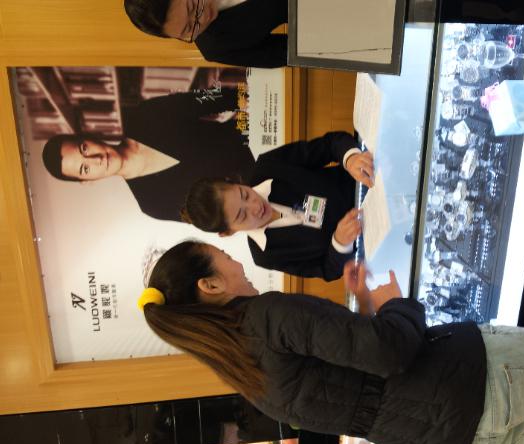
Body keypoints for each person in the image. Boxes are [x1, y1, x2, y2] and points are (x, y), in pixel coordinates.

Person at [138, 240, 524, 444]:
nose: (234, 259)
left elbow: (355, 387)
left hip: (465, 443)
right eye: (221, 256)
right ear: (210, 285)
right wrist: (392, 304)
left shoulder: (249, 376)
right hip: (478, 380)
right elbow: (389, 352)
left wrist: (361, 311)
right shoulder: (265, 317)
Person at [181, 131, 375, 280]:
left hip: (370, 183)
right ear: (229, 232)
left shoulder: (268, 167)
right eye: (242, 215)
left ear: (235, 182)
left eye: (244, 194)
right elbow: (328, 270)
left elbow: (329, 145)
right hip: (371, 244)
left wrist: (350, 159)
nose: (255, 207)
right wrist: (340, 243)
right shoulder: (265, 255)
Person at [41, 90, 255, 222]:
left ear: (89, 137)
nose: (96, 159)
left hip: (255, 131)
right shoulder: (153, 204)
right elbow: (219, 219)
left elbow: (212, 98)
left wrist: (255, 103)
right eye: (85, 169)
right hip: (258, 185)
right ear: (87, 181)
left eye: (84, 149)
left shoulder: (145, 115)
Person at [124, 0, 288, 68]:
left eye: (192, 7)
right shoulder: (215, 47)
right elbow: (289, 53)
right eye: (189, 28)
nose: (202, 19)